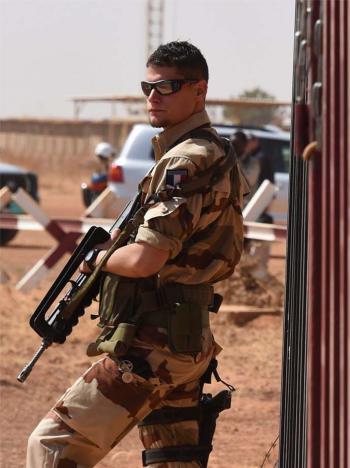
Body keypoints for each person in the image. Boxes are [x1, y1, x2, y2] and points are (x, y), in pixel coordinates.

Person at [27, 41, 249, 467]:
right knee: (173, 460)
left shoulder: (186, 159)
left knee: (51, 446)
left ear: (199, 91)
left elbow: (146, 260)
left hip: (154, 345)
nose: (153, 96)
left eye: (167, 86)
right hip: (189, 341)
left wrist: (97, 260)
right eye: (148, 87)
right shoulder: (218, 151)